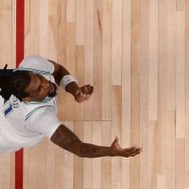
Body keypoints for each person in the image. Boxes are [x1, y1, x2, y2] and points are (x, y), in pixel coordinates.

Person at [0, 55, 141, 158]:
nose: (47, 85)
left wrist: (75, 91)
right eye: (38, 89)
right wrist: (110, 152)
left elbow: (58, 71)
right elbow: (78, 147)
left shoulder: (32, 64)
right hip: (4, 137)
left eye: (41, 79)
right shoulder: (39, 118)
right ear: (27, 98)